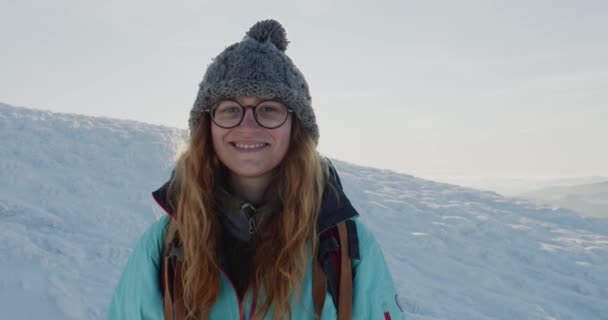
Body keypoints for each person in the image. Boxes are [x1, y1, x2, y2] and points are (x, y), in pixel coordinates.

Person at [108, 19, 404, 320]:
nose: (248, 126)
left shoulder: (343, 245)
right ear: (207, 127)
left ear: (295, 127)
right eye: (230, 109)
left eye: (269, 109)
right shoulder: (164, 245)